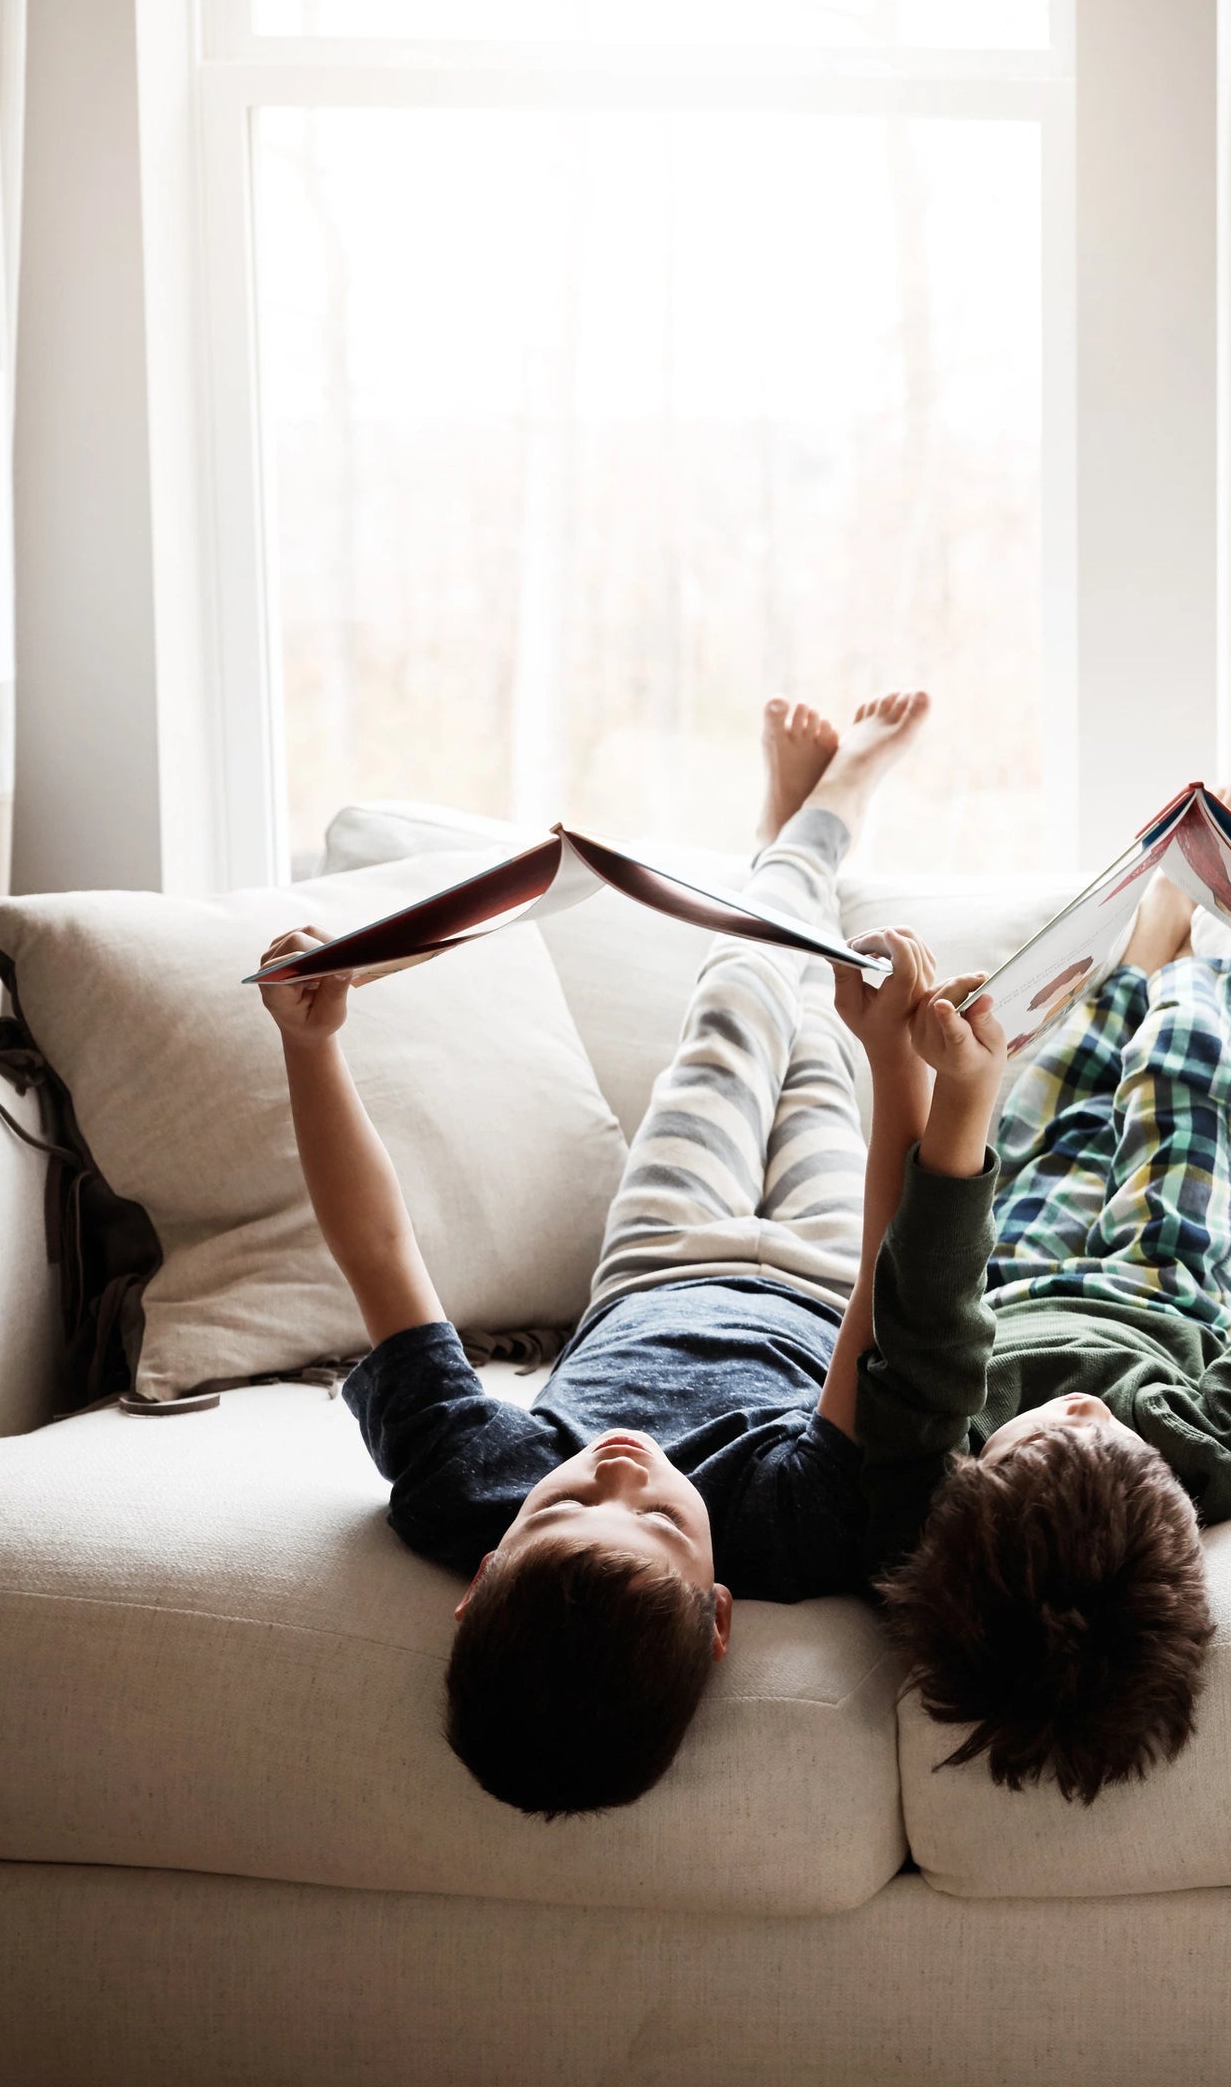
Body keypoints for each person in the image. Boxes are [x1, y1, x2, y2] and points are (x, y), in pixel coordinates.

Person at [269, 691, 947, 1817]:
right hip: (830, 1273)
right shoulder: (799, 1535)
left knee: (736, 998)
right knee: (827, 1038)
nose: (622, 1470)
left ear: (484, 1569)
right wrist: (899, 1070)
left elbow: (379, 1252)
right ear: (719, 1609)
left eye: (564, 1499)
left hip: (663, 1252)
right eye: (661, 1521)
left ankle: (816, 820)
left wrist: (311, 1047)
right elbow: (895, 1288)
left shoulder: (464, 1487)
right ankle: (796, 838)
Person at [855, 779, 1231, 1805]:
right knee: (1184, 1075)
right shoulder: (1200, 1455)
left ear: (965, 1479)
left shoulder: (918, 1488)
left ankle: (1143, 946)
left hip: (1014, 1272)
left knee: (1054, 1095)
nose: (1077, 1407)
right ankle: (1198, 959)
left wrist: (963, 1097)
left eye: (1035, 1433)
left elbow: (927, 1311)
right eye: (1109, 1433)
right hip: (1164, 1281)